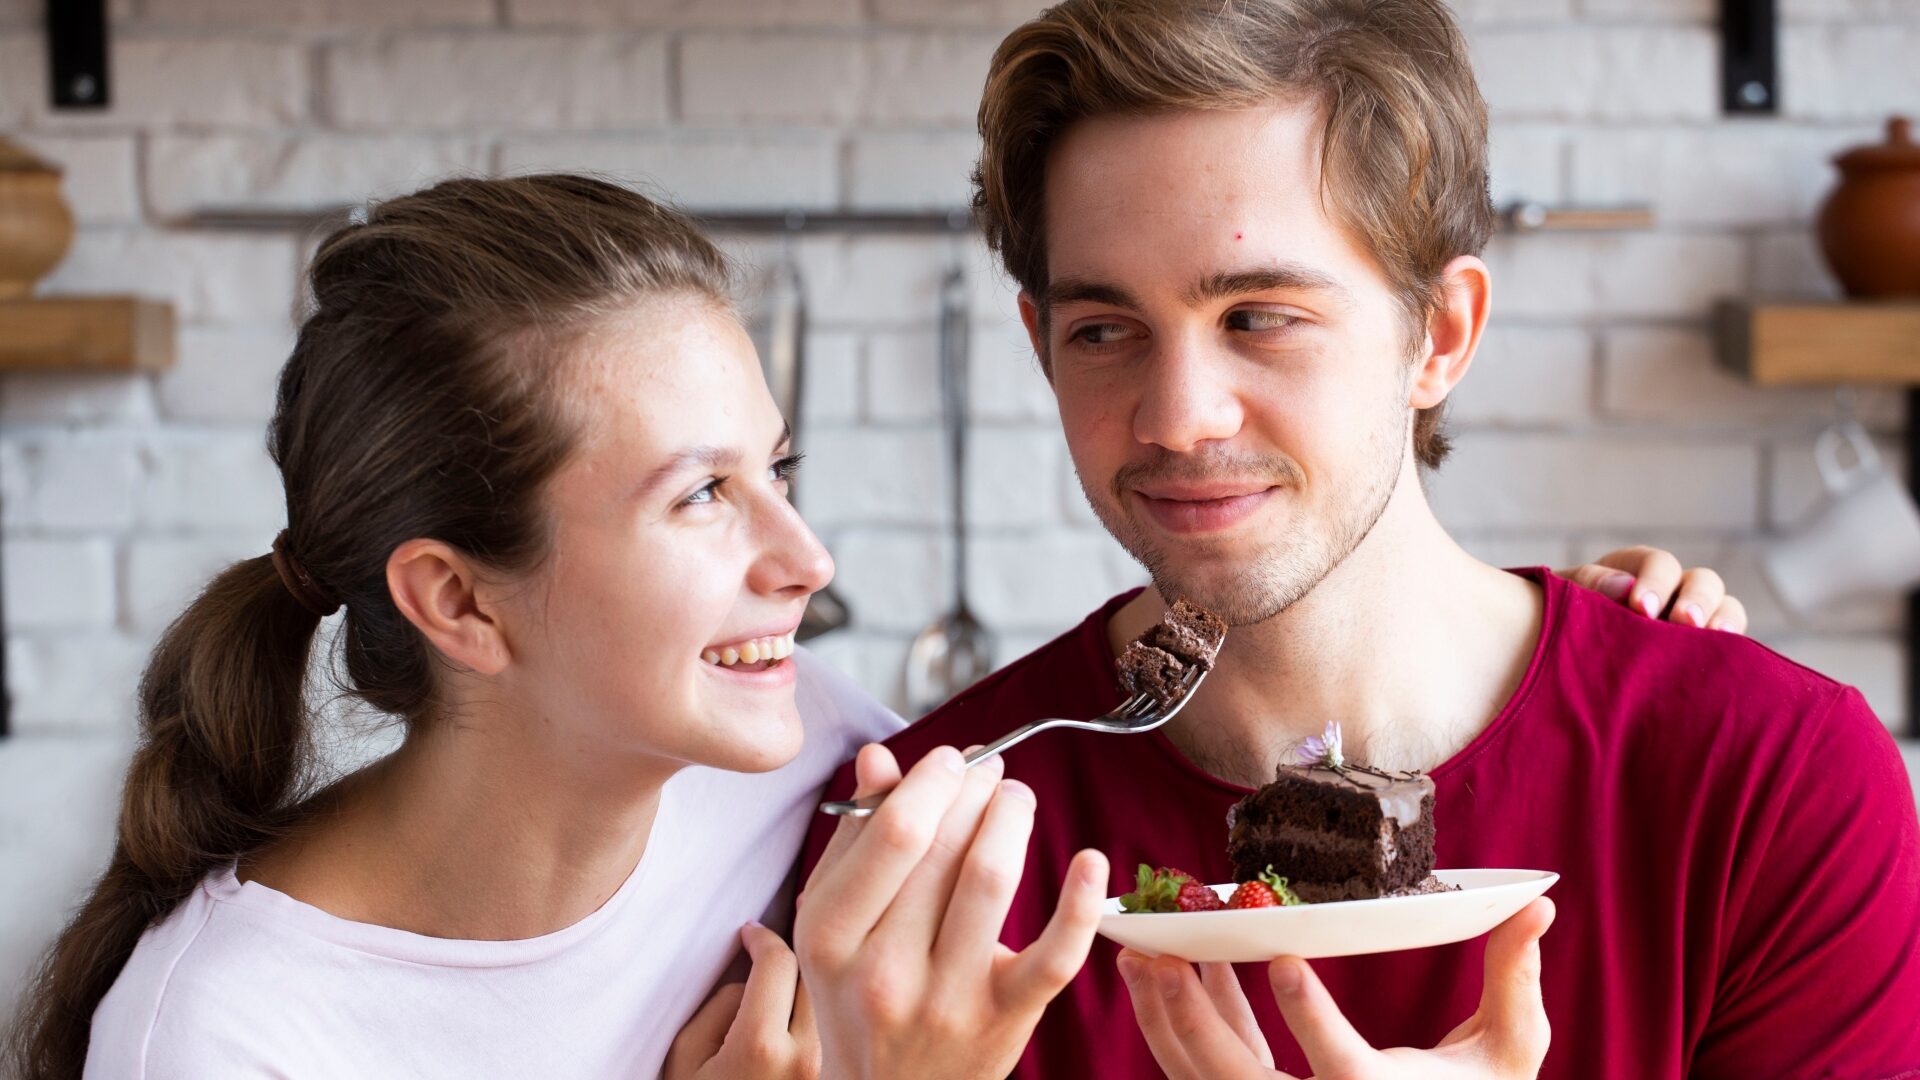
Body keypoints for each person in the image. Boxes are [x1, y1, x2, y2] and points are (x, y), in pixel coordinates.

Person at [1, 177, 1750, 1079]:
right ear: (458, 600)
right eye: (700, 499)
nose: (806, 555)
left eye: (781, 472)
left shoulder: (826, 772)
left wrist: (1594, 634)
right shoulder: (233, 1038)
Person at [801, 1, 1920, 1077]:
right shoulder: (915, 871)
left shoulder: (1766, 780)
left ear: (1439, 333)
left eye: (1260, 318)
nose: (1177, 415)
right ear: (1041, 344)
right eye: (1105, 330)